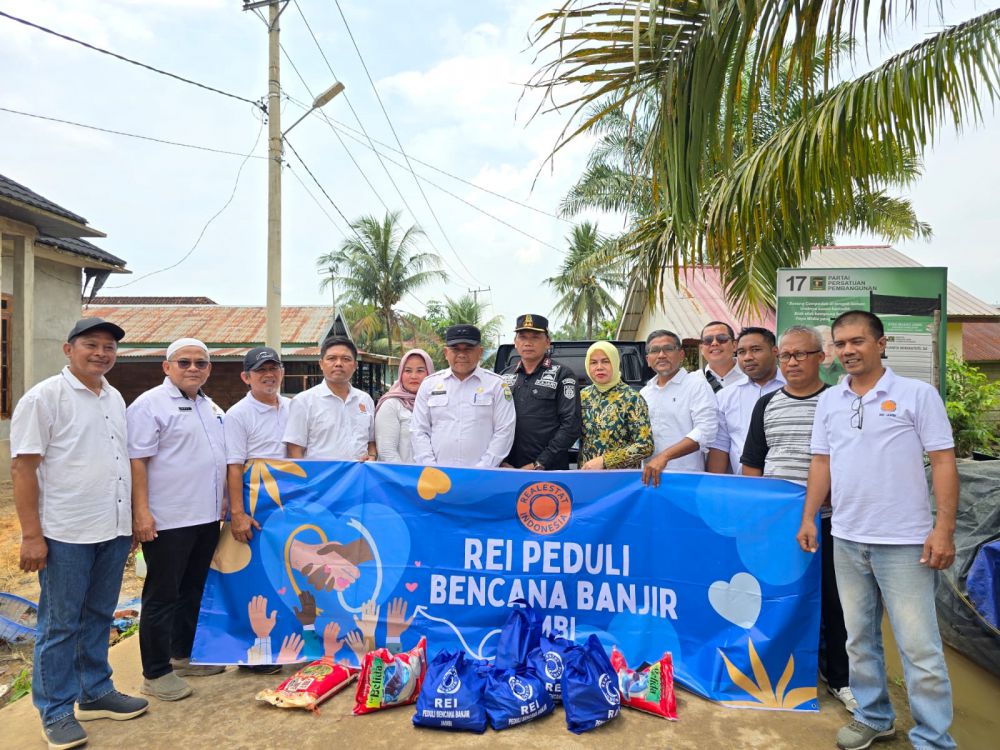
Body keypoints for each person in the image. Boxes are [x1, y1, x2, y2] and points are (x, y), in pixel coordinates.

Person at [796, 310, 959, 750]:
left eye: (857, 341)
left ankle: (933, 737)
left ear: (881, 343)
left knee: (920, 649)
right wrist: (810, 516)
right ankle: (874, 717)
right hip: (847, 538)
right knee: (859, 639)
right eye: (841, 343)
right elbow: (821, 462)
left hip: (905, 543)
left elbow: (943, 462)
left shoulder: (916, 395)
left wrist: (943, 529)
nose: (848, 350)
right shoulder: (831, 401)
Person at [10, 318, 147, 750]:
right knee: (60, 624)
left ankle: (96, 691)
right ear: (69, 350)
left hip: (112, 526)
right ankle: (55, 711)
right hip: (66, 531)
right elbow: (23, 468)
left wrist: (129, 522)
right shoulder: (44, 398)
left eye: (109, 347)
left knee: (99, 615)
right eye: (92, 344)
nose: (101, 353)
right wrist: (32, 536)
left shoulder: (114, 396)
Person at [740, 326, 854, 712]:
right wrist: (754, 516)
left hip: (829, 521)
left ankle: (839, 677)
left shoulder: (841, 402)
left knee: (834, 603)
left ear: (822, 357)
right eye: (785, 355)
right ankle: (774, 669)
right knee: (775, 597)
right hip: (776, 524)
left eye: (800, 355)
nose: (791, 362)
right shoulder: (767, 404)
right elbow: (753, 463)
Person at [127, 337, 228, 702]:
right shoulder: (150, 405)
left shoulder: (209, 405)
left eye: (200, 363)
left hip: (204, 518)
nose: (193, 369)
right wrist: (141, 513)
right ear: (167, 367)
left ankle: (182, 654)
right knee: (162, 594)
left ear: (209, 369)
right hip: (168, 519)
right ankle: (154, 672)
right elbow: (137, 460)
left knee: (192, 590)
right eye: (183, 362)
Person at [223, 346, 289, 676]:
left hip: (288, 505)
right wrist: (237, 513)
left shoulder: (293, 407)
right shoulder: (238, 414)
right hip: (255, 505)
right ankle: (254, 652)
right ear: (246, 377)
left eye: (274, 368)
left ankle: (286, 643)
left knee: (285, 576)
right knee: (256, 578)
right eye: (261, 370)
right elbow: (233, 467)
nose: (269, 375)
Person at [410, 324, 516, 467]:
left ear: (480, 352)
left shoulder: (497, 385)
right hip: (436, 476)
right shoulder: (429, 384)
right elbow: (419, 430)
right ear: (446, 352)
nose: (461, 354)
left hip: (482, 478)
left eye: (468, 348)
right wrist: (431, 467)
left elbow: (504, 431)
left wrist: (482, 469)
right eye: (455, 349)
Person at [499, 314, 581, 470]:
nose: (528, 343)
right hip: (508, 468)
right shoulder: (504, 376)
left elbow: (571, 425)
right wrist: (499, 460)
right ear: (515, 343)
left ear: (547, 342)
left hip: (548, 469)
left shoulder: (563, 375)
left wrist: (540, 463)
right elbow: (493, 422)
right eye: (522, 337)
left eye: (535, 337)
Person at [639, 329, 717, 485]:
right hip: (649, 479)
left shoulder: (696, 386)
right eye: (655, 351)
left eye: (668, 349)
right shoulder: (644, 393)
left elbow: (706, 430)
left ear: (681, 355)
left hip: (686, 479)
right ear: (648, 359)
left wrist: (664, 456)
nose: (661, 355)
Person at [283, 336, 376, 461]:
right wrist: (307, 480)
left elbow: (371, 442)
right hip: (320, 478)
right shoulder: (303, 401)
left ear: (355, 365)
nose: (338, 364)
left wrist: (372, 456)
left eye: (346, 359)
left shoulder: (365, 400)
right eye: (331, 358)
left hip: (358, 477)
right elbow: (294, 449)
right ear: (321, 364)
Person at [706, 327, 784, 475]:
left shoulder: (794, 389)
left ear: (775, 352)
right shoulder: (726, 396)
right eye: (741, 352)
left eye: (755, 350)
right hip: (744, 487)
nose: (747, 357)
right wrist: (715, 489)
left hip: (790, 486)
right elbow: (720, 446)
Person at [579, 341, 653, 470]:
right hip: (587, 476)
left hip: (621, 479)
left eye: (606, 361)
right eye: (594, 362)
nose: (599, 367)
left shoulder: (631, 398)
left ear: (615, 363)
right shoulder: (583, 396)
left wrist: (606, 461)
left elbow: (645, 446)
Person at [374, 348, 435, 463]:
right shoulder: (391, 404)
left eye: (420, 370)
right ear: (401, 373)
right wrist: (404, 478)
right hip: (401, 477)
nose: (413, 376)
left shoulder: (436, 404)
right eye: (407, 371)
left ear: (430, 373)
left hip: (435, 477)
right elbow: (387, 452)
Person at [700, 321, 741, 392]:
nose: (714, 343)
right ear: (701, 349)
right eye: (708, 340)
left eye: (722, 338)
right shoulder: (691, 381)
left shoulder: (753, 376)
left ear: (734, 346)